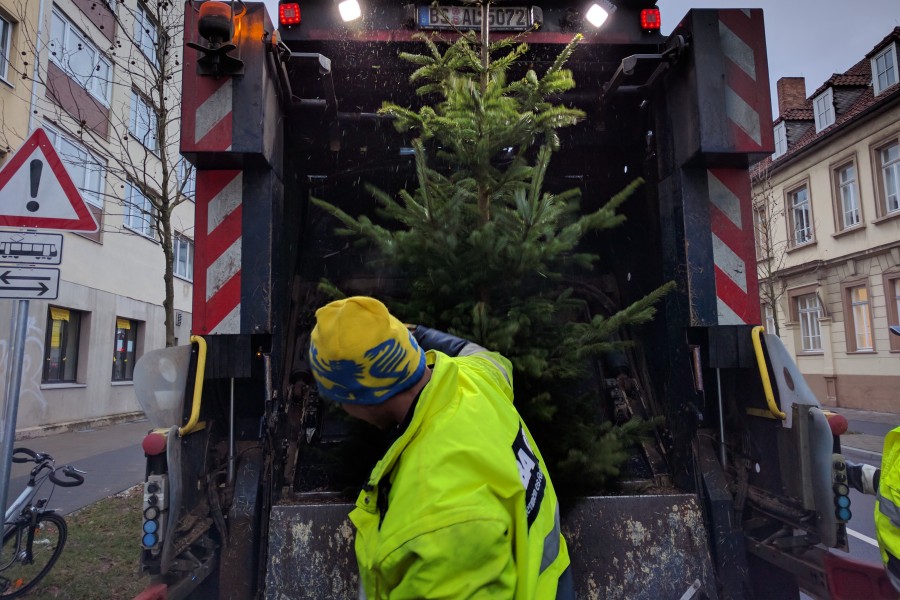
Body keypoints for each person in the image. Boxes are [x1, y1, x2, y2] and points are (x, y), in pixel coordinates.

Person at [308, 296, 574, 599]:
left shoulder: (436, 510)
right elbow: (488, 357)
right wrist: (417, 334)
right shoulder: (476, 378)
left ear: (356, 400)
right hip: (552, 580)